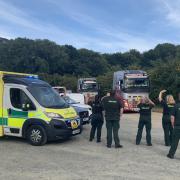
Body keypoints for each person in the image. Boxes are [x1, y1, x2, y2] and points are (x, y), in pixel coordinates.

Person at [167, 93, 180, 159]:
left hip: (177, 126)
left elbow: (172, 117)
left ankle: (171, 154)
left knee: (175, 142)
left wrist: (173, 125)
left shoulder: (176, 106)